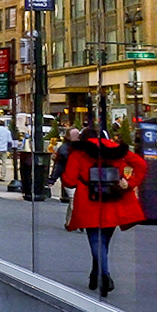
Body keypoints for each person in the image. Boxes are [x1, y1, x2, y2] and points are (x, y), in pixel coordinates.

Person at [63, 127, 147, 298]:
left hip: (89, 201)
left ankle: (104, 275)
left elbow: (69, 181)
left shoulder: (78, 152)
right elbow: (141, 164)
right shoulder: (116, 149)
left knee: (95, 240)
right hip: (113, 199)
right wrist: (130, 183)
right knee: (104, 242)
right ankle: (96, 274)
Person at [51, 127, 82, 204]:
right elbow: (59, 165)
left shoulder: (77, 147)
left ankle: (70, 215)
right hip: (69, 178)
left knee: (73, 203)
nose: (77, 136)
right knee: (73, 202)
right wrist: (52, 179)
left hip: (74, 179)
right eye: (75, 135)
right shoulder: (65, 149)